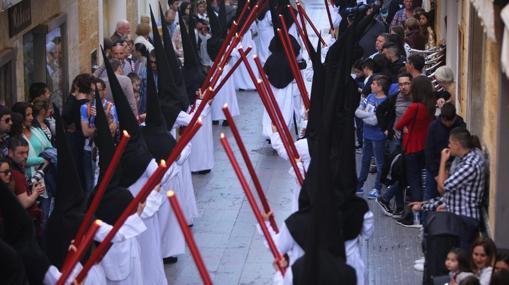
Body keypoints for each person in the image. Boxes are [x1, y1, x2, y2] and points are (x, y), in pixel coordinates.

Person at [414, 128, 486, 250]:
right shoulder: (467, 159)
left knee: (460, 255)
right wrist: (424, 205)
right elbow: (454, 194)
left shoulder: (470, 165)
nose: (448, 146)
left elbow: (442, 187)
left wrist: (443, 161)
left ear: (457, 144)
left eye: (450, 143)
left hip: (464, 219)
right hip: (459, 216)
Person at [394, 76, 435, 227]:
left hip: (411, 148)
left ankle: (417, 216)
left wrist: (406, 129)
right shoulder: (430, 107)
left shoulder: (414, 107)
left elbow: (399, 125)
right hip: (425, 148)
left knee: (414, 182)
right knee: (423, 182)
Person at [375, 72, 413, 216]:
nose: (403, 87)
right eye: (401, 84)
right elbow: (380, 110)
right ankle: (399, 207)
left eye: (406, 83)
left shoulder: (417, 97)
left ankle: (392, 202)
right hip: (397, 140)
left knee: (403, 173)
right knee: (398, 172)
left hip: (410, 140)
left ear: (412, 83)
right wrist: (385, 128)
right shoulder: (396, 97)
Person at [355, 75, 390, 199]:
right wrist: (369, 116)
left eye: (374, 84)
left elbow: (375, 121)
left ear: (380, 87)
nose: (371, 85)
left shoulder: (386, 102)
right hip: (367, 134)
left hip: (378, 137)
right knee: (365, 160)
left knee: (380, 163)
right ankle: (359, 184)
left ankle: (377, 188)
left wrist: (366, 116)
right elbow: (357, 112)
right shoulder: (369, 97)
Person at [424, 103, 466, 201]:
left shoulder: (460, 125)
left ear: (455, 117)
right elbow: (429, 151)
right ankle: (426, 216)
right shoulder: (434, 126)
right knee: (429, 196)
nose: (447, 124)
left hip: (454, 166)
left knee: (449, 197)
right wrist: (435, 174)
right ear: (441, 117)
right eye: (445, 121)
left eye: (450, 122)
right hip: (435, 165)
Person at [7, 137, 45, 231]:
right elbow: (25, 203)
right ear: (11, 153)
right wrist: (36, 193)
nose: (25, 156)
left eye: (26, 152)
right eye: (21, 153)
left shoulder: (15, 168)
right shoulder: (15, 174)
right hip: (25, 223)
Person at [11, 102, 51, 179]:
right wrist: (42, 160)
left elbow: (50, 148)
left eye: (32, 114)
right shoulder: (15, 137)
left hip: (45, 175)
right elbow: (20, 159)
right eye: (28, 115)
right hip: (26, 177)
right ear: (20, 116)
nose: (32, 118)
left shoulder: (37, 130)